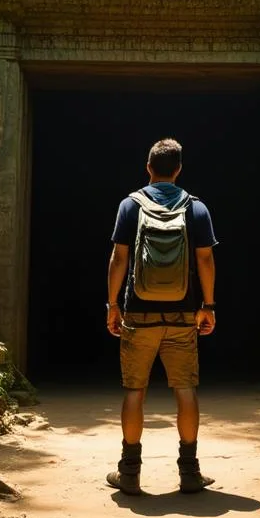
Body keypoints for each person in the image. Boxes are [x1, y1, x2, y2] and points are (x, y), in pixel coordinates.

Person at [105, 137, 217, 495]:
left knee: (134, 390)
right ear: (179, 169)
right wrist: (208, 306)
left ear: (149, 167)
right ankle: (189, 473)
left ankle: (130, 473)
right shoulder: (195, 208)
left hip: (139, 314)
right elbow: (205, 260)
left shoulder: (129, 206)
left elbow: (120, 258)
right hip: (184, 313)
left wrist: (112, 305)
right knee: (185, 389)